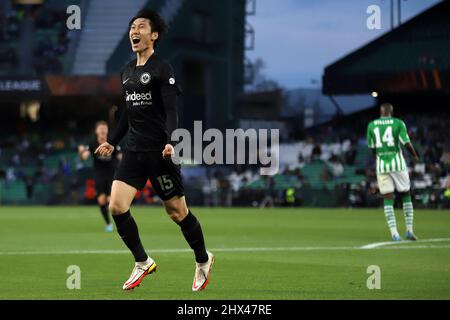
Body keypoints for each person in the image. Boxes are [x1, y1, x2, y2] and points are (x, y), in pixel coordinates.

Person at [95, 10, 214, 291]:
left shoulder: (163, 69)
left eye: (141, 27)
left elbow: (172, 109)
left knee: (176, 212)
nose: (134, 31)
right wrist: (113, 139)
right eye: (132, 27)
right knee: (116, 205)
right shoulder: (126, 72)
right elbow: (126, 112)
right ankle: (142, 261)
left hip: (160, 152)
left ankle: (202, 259)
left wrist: (171, 140)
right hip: (134, 150)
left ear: (154, 35)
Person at [366, 103, 419, 241]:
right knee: (406, 193)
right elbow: (406, 143)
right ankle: (409, 230)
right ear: (392, 112)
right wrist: (414, 155)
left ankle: (394, 234)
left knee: (388, 198)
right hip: (398, 165)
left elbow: (371, 147)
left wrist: (377, 159)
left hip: (382, 165)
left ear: (380, 112)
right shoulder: (398, 123)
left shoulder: (371, 125)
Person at [78, 121, 121, 232]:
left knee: (112, 202)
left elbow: (121, 156)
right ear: (96, 131)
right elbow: (84, 156)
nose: (102, 130)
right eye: (100, 128)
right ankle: (108, 224)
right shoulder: (93, 144)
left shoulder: (112, 143)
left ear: (107, 130)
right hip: (99, 175)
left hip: (112, 175)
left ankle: (120, 223)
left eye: (104, 128)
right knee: (101, 201)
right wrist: (82, 152)